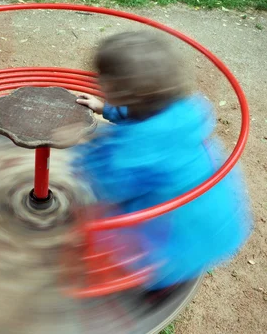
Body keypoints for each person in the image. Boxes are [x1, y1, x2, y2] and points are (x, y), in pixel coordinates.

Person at [69, 31, 253, 290]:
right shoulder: (185, 110)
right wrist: (106, 108)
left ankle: (153, 291)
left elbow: (102, 182)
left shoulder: (134, 149)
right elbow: (142, 116)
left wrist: (75, 143)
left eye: (102, 78)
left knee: (95, 224)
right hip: (220, 222)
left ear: (115, 88)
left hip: (178, 245)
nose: (98, 81)